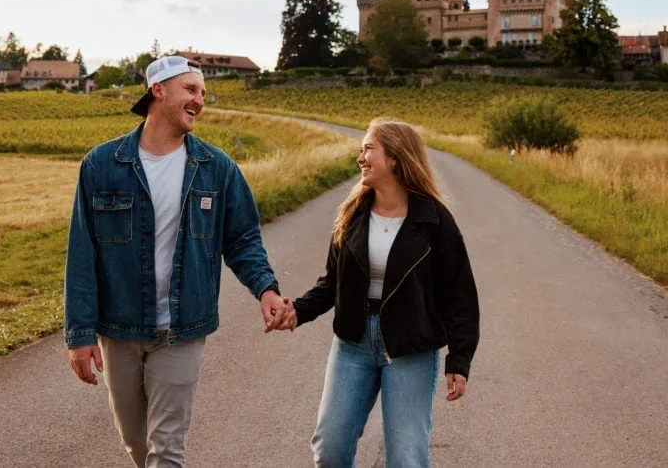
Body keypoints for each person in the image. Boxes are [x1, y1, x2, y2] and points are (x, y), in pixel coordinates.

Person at [64, 55, 290, 468]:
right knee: (137, 443)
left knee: (166, 448)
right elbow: (83, 252)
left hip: (183, 329)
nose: (200, 100)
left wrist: (267, 289)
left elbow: (242, 239)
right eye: (191, 90)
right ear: (158, 90)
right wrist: (79, 334)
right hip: (120, 327)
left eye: (203, 93)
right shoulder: (101, 165)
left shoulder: (216, 168)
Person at [275, 119, 480, 467]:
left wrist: (459, 360)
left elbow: (460, 296)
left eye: (369, 148)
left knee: (405, 459)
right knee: (330, 451)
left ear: (396, 158)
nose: (361, 157)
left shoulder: (434, 221)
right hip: (353, 344)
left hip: (410, 348)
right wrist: (297, 310)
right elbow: (332, 282)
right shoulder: (353, 214)